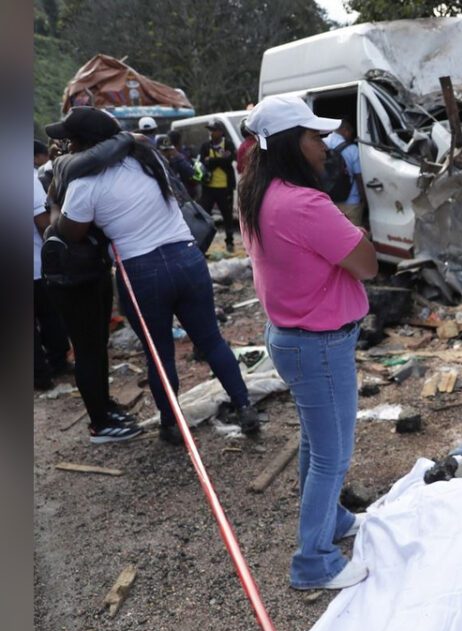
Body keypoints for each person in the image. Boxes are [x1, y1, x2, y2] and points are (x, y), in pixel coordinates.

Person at [48, 106, 260, 446]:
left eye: (70, 140)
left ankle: (171, 425)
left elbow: (69, 233)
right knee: (211, 340)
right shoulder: (146, 160)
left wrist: (58, 194)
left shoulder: (83, 183)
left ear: (83, 143)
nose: (67, 147)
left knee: (159, 354)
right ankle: (244, 406)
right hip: (187, 259)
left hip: (141, 272)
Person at [238, 95, 378, 590]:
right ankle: (313, 561)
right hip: (318, 342)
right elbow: (367, 263)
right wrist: (355, 231)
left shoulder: (259, 191)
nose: (325, 145)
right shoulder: (302, 202)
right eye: (315, 136)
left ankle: (333, 521)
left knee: (318, 442)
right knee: (332, 454)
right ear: (290, 143)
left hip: (295, 338)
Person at [43, 109, 142, 443]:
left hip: (90, 270)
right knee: (87, 349)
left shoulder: (84, 168)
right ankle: (101, 423)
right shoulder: (73, 172)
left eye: (71, 138)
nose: (65, 144)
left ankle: (104, 405)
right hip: (71, 277)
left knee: (97, 346)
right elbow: (65, 228)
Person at [33, 168, 71, 391]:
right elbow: (41, 220)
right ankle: (55, 365)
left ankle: (39, 376)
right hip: (35, 264)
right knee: (49, 314)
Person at [198, 121, 237, 251]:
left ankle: (230, 242)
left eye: (214, 130)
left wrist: (213, 161)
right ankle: (202, 245)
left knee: (227, 217)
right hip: (208, 188)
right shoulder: (205, 146)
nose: (211, 132)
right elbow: (203, 163)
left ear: (220, 132)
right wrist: (221, 160)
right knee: (205, 217)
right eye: (210, 130)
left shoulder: (228, 144)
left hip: (225, 187)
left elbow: (229, 160)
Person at [322, 121, 364, 228]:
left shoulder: (321, 144)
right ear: (346, 130)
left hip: (327, 201)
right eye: (351, 132)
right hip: (351, 202)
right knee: (354, 235)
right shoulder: (352, 149)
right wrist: (364, 200)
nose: (351, 136)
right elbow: (359, 177)